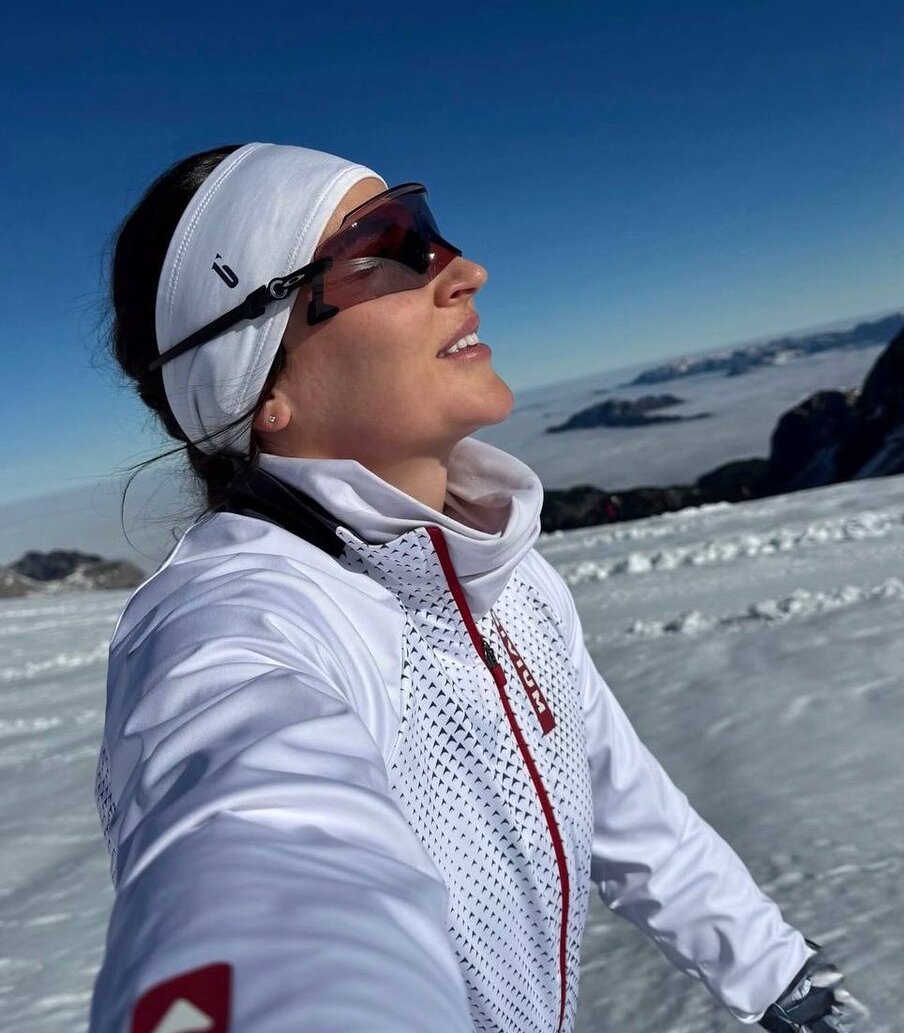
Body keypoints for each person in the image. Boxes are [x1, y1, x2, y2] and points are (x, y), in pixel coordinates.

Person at [90, 143, 862, 1033]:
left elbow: (621, 796)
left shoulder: (503, 570)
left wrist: (774, 971)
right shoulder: (234, 621)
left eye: (424, 227)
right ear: (258, 386)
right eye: (380, 248)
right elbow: (257, 845)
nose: (462, 269)